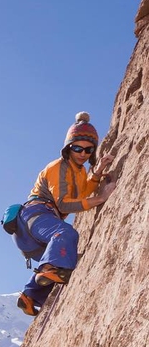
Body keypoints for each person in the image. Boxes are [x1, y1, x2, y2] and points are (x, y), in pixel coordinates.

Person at [14, 112, 117, 316]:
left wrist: (97, 173)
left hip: (35, 237)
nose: (82, 153)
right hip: (36, 215)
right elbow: (63, 204)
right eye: (77, 148)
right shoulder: (58, 167)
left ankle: (31, 295)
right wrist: (100, 199)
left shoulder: (78, 171)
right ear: (68, 147)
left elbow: (82, 192)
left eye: (88, 150)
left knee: (67, 257)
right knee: (66, 234)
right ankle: (49, 270)